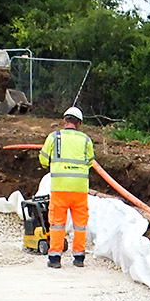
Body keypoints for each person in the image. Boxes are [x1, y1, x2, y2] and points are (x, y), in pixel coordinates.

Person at [38, 106, 94, 267]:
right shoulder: (86, 140)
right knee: (80, 225)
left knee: (57, 223)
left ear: (64, 120)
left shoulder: (54, 137)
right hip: (80, 189)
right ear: (79, 123)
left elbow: (43, 159)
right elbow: (90, 161)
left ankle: (55, 258)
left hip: (60, 188)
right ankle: (79, 258)